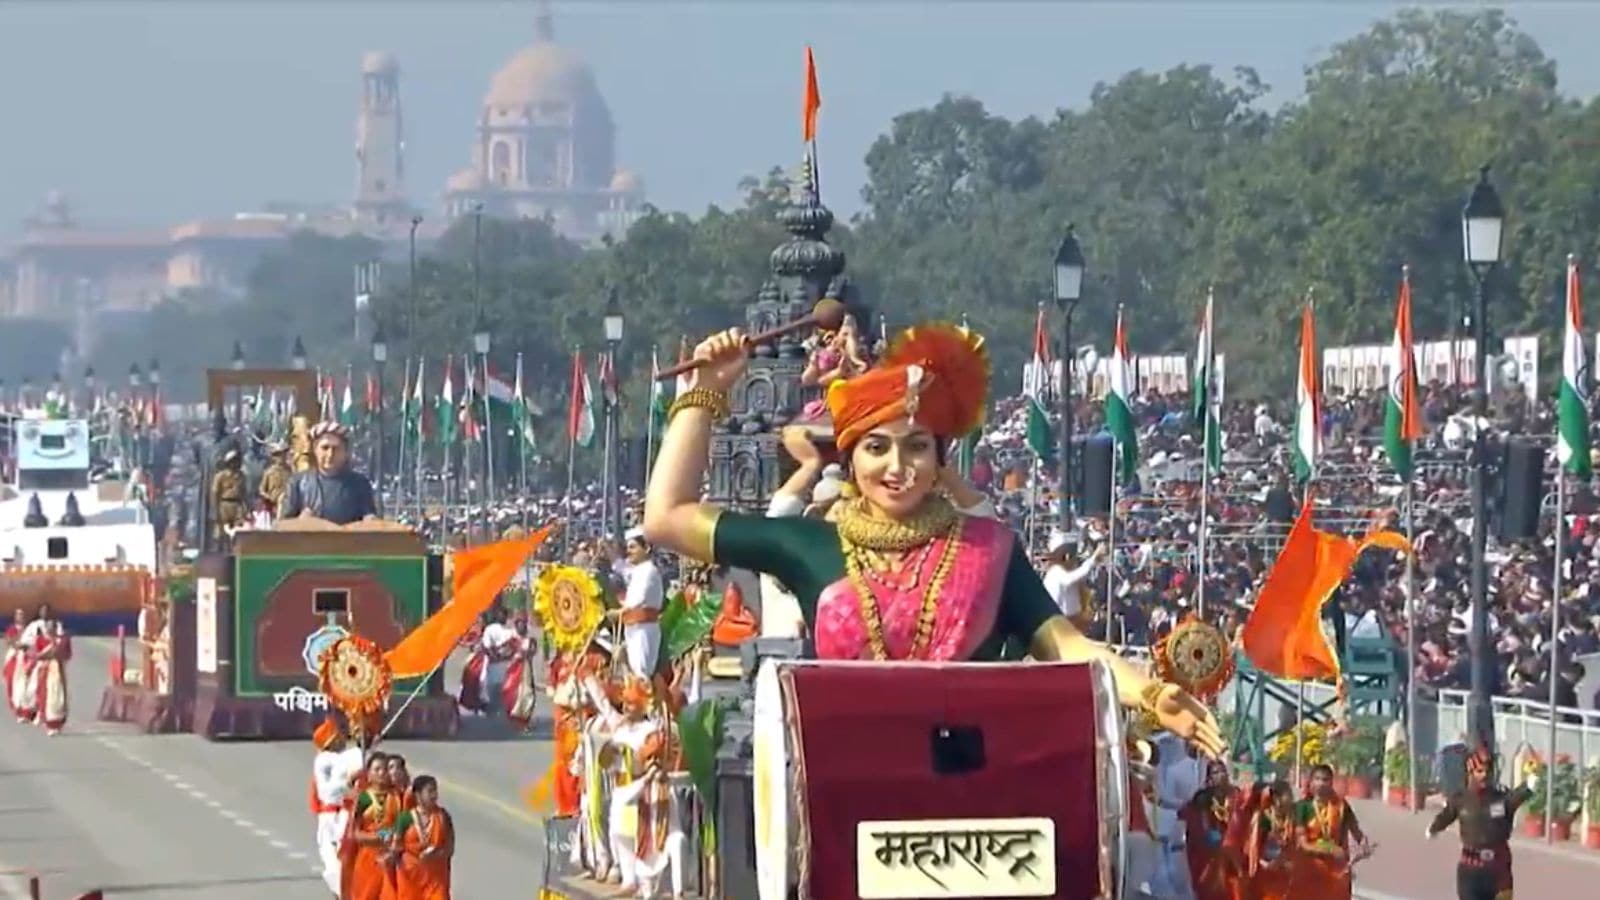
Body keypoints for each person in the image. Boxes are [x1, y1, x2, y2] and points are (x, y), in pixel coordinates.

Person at [642, 322, 1224, 746]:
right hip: (844, 782)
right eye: (877, 448)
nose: (898, 467)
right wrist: (707, 390)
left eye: (917, 447)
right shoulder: (809, 544)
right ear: (849, 457)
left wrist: (1149, 694)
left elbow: (1064, 646)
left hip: (977, 785)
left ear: (941, 456)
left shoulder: (987, 549)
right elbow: (665, 518)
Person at [1426, 744, 1534, 900]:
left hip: (1499, 870)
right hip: (1470, 871)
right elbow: (1447, 815)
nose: (1484, 776)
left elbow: (1516, 797)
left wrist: (1530, 784)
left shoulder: (1500, 799)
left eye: (1487, 772)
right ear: (1470, 773)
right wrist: (1434, 828)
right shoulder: (1460, 799)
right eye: (1479, 771)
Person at [1295, 763, 1373, 900]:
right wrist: (1329, 850)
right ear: (1311, 782)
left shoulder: (1341, 806)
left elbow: (1356, 831)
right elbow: (1303, 844)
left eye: (1325, 780)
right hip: (1311, 868)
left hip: (1338, 870)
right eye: (1317, 779)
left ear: (1331, 782)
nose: (1321, 783)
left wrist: (1364, 845)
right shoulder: (1303, 807)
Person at [281, 421, 379, 525]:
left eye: (336, 449)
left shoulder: (359, 484)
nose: (330, 454)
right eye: (325, 448)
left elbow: (369, 521)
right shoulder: (298, 484)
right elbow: (283, 528)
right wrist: (300, 522)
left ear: (345, 452)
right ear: (315, 450)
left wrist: (370, 521)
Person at [310, 716, 364, 895]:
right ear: (331, 740)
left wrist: (364, 745)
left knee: (344, 863)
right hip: (331, 818)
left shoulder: (339, 757)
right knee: (335, 865)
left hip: (345, 815)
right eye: (339, 736)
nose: (343, 738)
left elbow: (359, 759)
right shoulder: (325, 760)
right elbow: (328, 791)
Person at [1183, 759, 1248, 900]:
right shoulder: (1203, 797)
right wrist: (1212, 838)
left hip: (1233, 854)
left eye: (1223, 771)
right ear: (1209, 777)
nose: (1221, 775)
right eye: (1216, 772)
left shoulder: (1236, 794)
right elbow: (1198, 824)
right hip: (1209, 856)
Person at [343, 751, 403, 900]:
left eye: (385, 769)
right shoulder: (363, 798)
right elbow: (354, 833)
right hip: (368, 859)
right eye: (377, 769)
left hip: (391, 859)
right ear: (368, 774)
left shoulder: (398, 797)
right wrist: (378, 836)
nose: (382, 773)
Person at [611, 528, 664, 680]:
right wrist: (607, 549)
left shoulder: (650, 571)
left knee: (642, 673)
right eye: (628, 547)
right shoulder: (637, 571)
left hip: (644, 629)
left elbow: (638, 600)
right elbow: (620, 567)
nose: (629, 551)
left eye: (633, 547)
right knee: (634, 672)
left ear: (646, 548)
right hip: (632, 627)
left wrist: (619, 612)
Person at [395, 775, 454, 900]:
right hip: (410, 879)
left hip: (436, 880)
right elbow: (396, 847)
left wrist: (436, 855)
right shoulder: (405, 818)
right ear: (417, 795)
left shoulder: (443, 816)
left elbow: (449, 848)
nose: (434, 795)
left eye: (435, 791)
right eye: (430, 791)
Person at [1247, 780, 1298, 900]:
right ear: (1276, 798)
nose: (1292, 798)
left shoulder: (1294, 815)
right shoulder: (1264, 817)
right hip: (1267, 870)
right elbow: (1254, 845)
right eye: (1288, 795)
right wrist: (1264, 863)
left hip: (1289, 870)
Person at [21, 609, 70, 735]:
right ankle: (46, 721)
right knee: (41, 693)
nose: (49, 630)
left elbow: (65, 654)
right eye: (48, 628)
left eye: (52, 628)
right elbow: (36, 654)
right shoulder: (40, 639)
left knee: (57, 696)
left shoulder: (60, 641)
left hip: (56, 670)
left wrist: (54, 655)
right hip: (43, 669)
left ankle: (56, 723)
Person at [1042, 532, 1103, 631]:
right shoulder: (1056, 571)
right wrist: (1093, 560)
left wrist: (1094, 559)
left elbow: (1080, 576)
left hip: (1074, 621)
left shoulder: (1068, 570)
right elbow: (1069, 579)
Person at [3, 609, 26, 720]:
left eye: (22, 615)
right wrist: (18, 638)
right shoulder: (12, 629)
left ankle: (23, 709)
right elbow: (8, 641)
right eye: (18, 615)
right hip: (13, 658)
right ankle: (15, 706)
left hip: (25, 658)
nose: (20, 616)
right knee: (11, 682)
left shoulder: (28, 629)